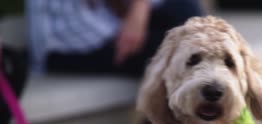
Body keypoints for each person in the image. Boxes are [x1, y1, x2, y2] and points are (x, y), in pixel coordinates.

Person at [27, 0, 205, 77]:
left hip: (105, 22)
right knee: (174, 50)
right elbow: (71, 26)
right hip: (66, 45)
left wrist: (140, 7)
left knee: (184, 12)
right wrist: (126, 30)